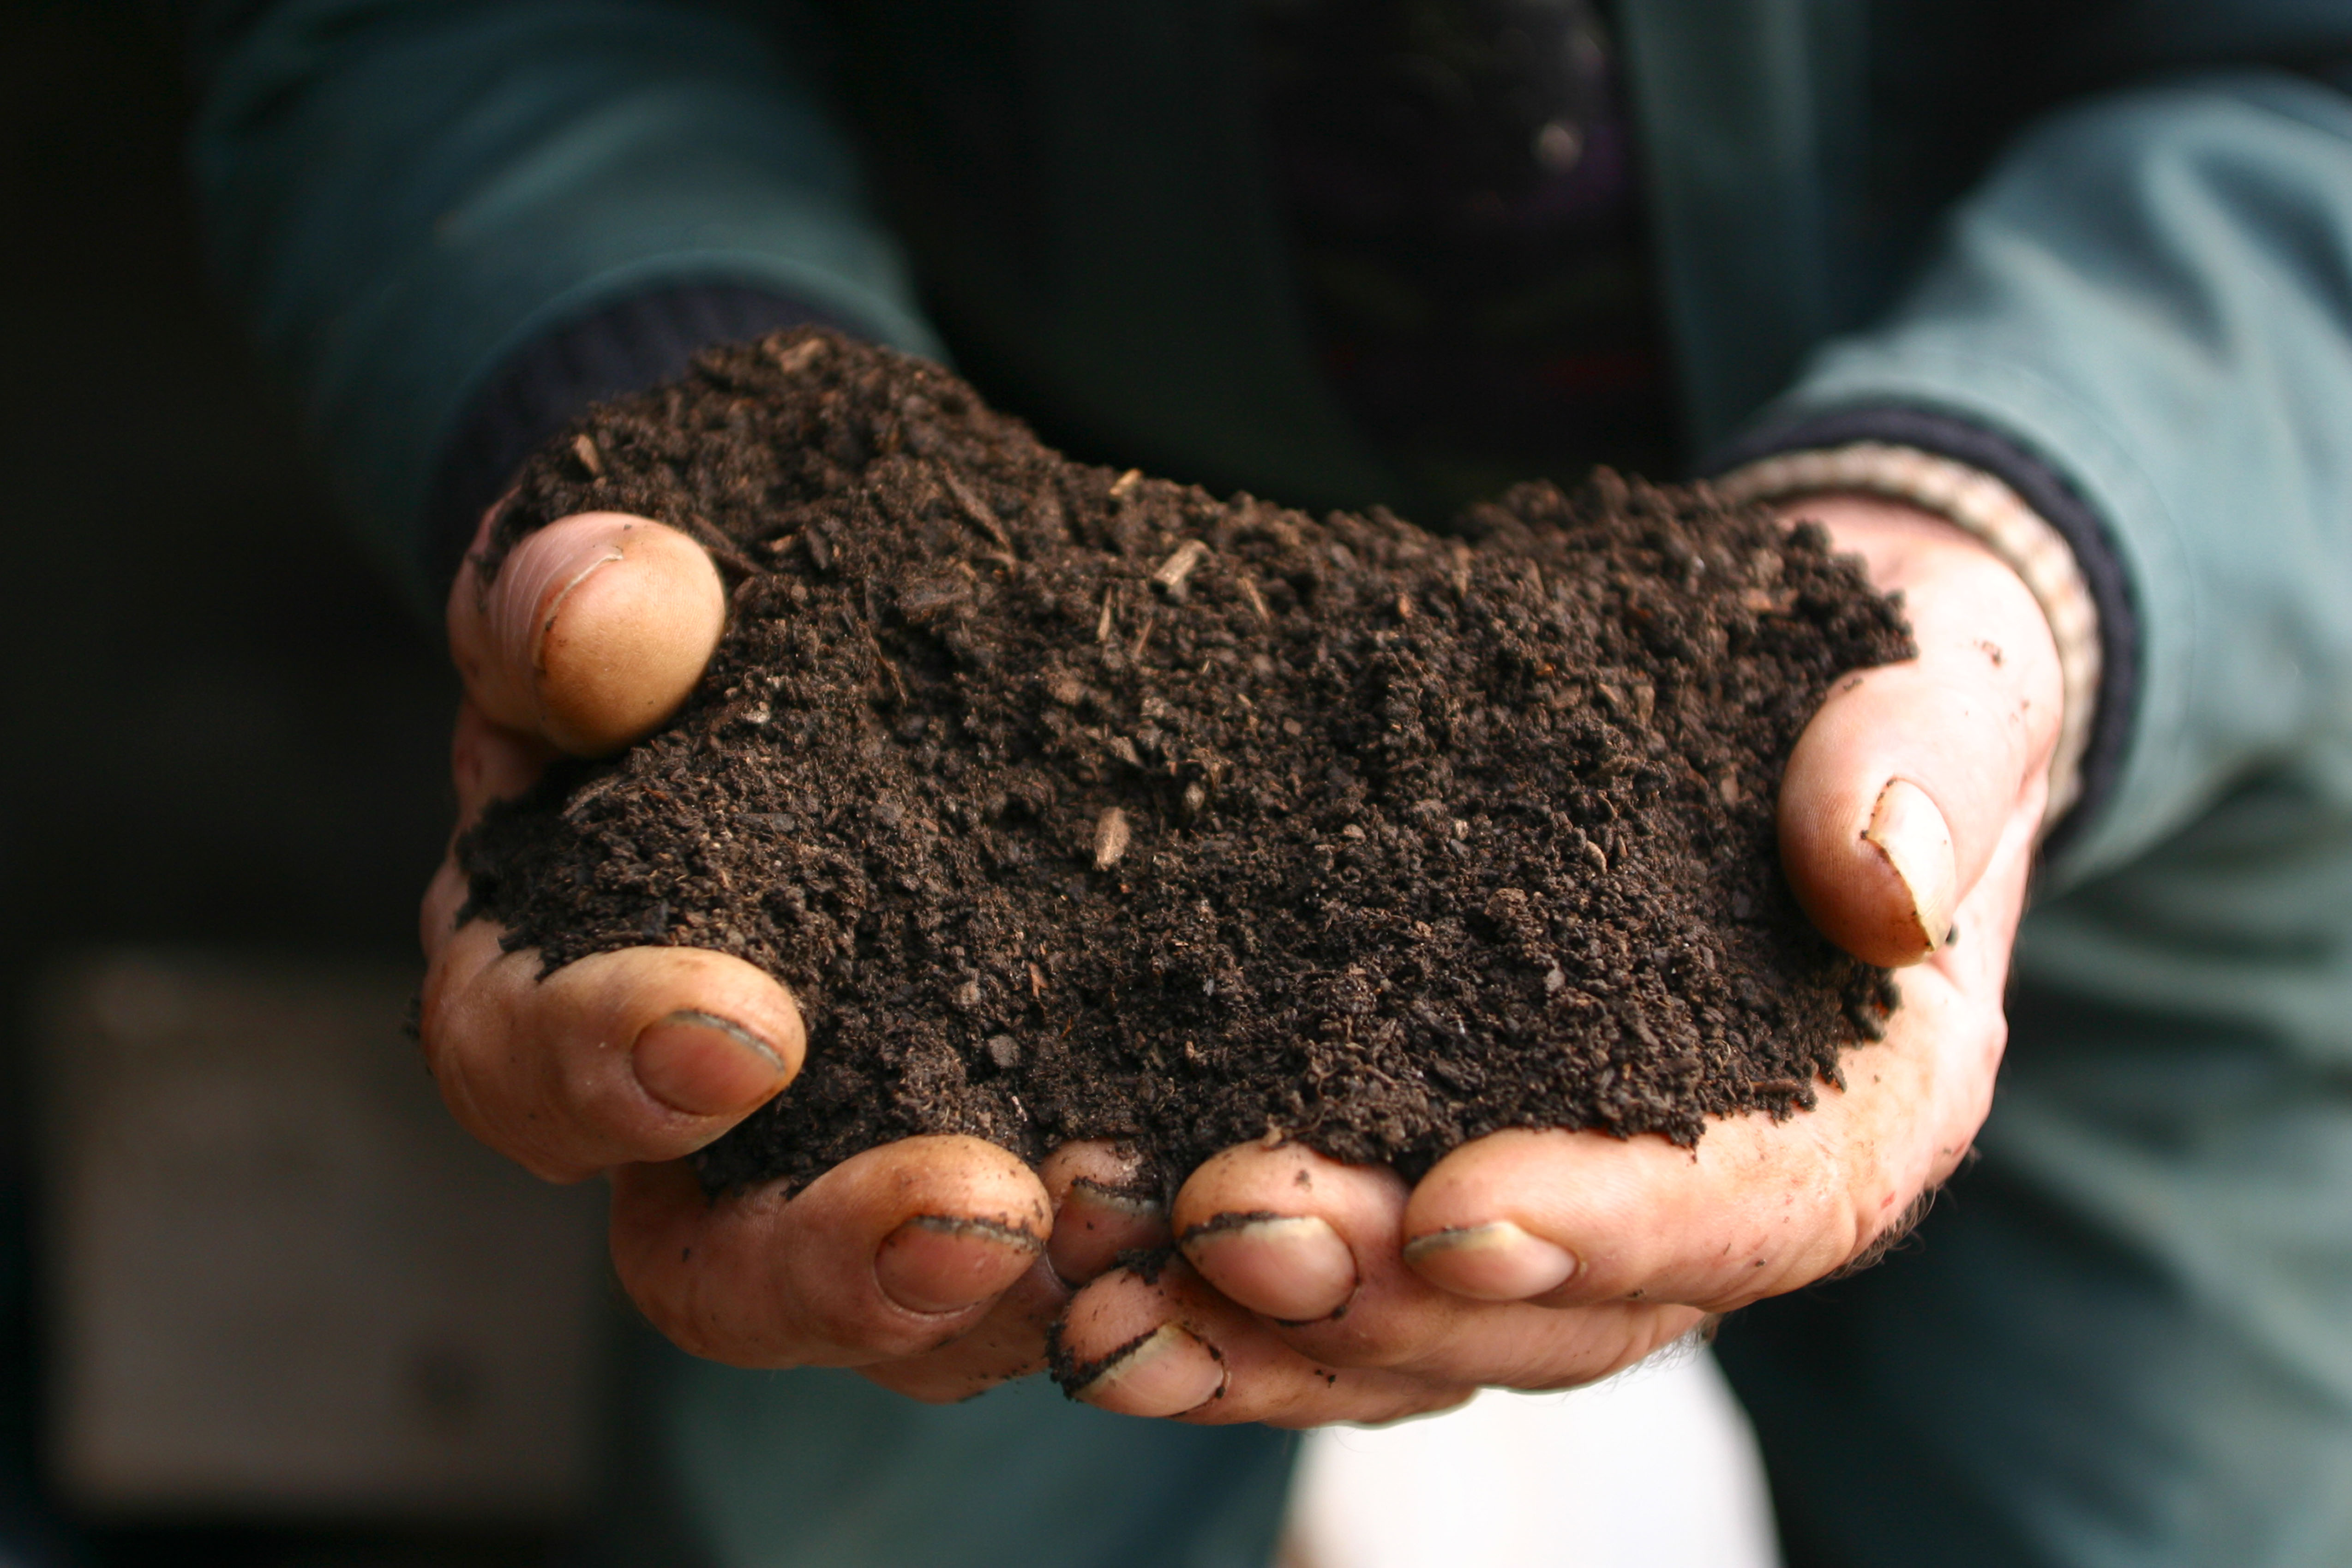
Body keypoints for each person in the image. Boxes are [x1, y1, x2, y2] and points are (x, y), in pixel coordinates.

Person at [188, 1, 2352, 1562]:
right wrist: (704, 428)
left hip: (2091, 601)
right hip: (983, 506)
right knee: (849, 1485)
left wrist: (2020, 531)